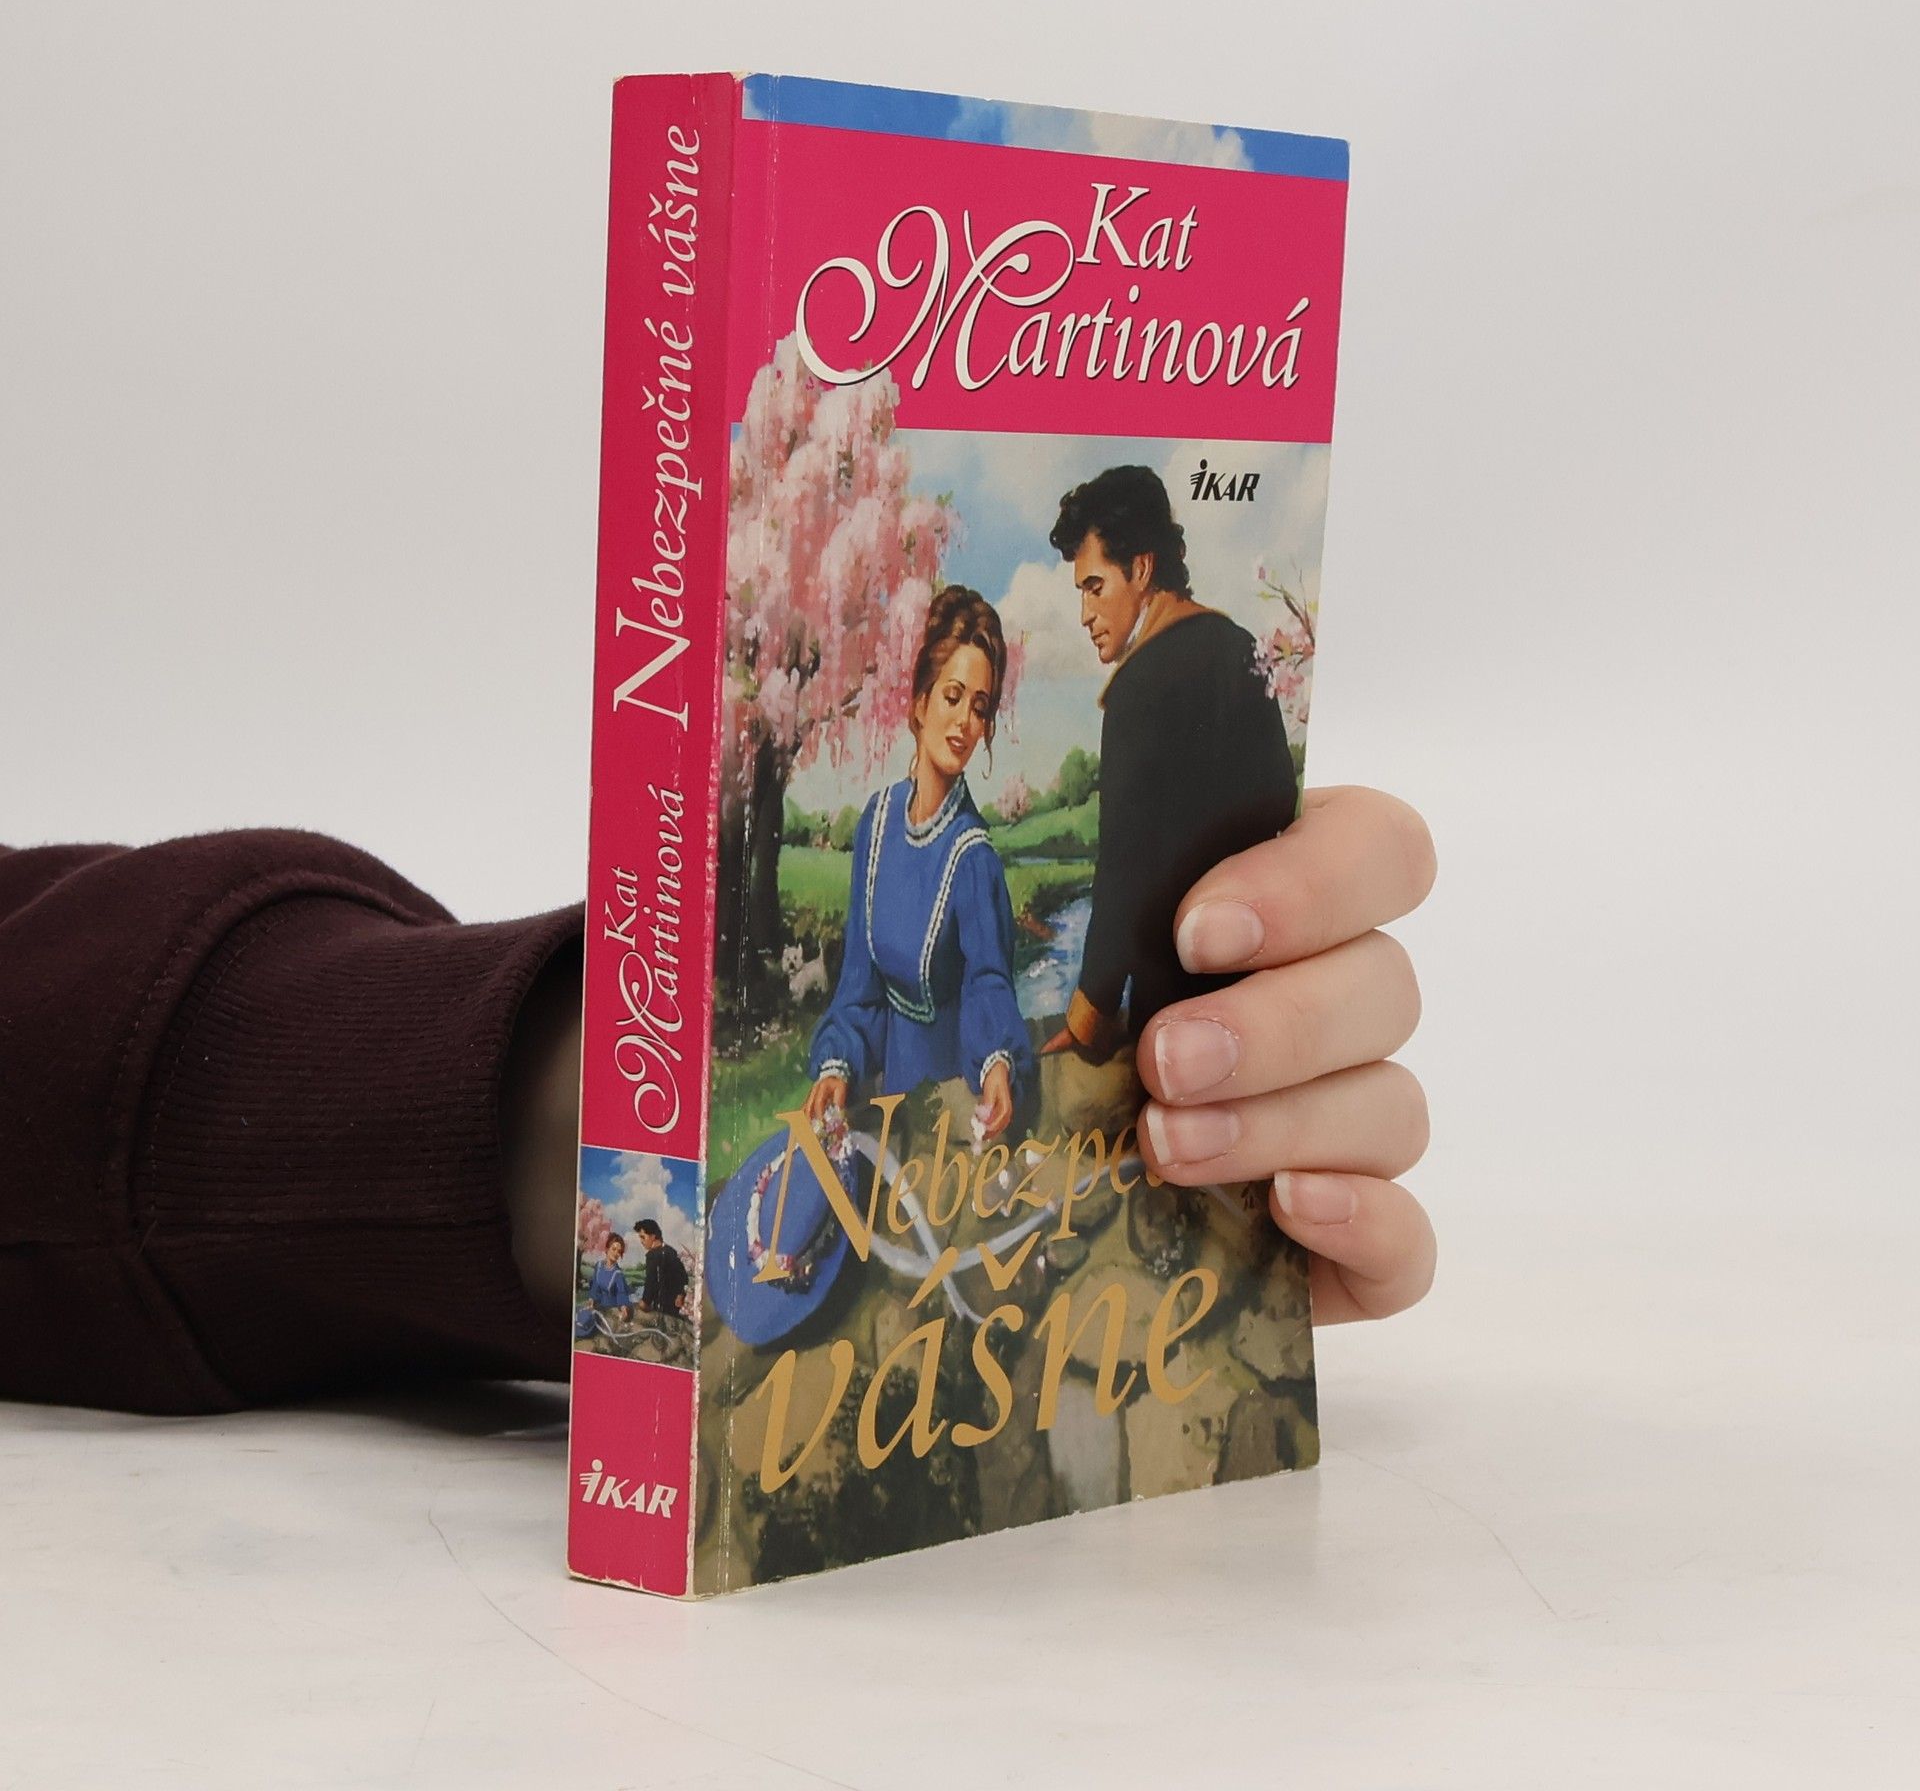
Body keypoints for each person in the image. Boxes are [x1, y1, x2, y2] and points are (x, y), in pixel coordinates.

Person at [0, 782, 1435, 1414]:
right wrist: (573, 1116)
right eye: (948, 695)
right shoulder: (879, 837)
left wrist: (571, 1098)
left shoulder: (968, 858)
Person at [1043, 464, 1297, 1059]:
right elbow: (1283, 799)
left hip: (1174, 999)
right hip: (1261, 975)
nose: (1084, 614)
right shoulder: (1241, 647)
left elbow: (1121, 872)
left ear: (1141, 569)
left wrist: (1090, 1017)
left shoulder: (1135, 690)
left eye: (1094, 587)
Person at [803, 585, 1035, 1138]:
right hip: (884, 1085)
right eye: (953, 697)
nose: (965, 722)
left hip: (949, 1097)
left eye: (979, 707)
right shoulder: (877, 823)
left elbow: (987, 983)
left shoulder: (973, 857)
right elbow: (859, 983)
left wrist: (996, 1063)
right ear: (920, 703)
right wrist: (837, 1064)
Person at [578, 1234, 634, 1336]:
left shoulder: (618, 1274)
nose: (616, 1253)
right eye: (614, 1249)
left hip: (611, 1308)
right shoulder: (599, 1266)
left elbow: (621, 1293)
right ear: (607, 1249)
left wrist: (623, 1307)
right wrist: (591, 1299)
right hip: (598, 1305)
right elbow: (595, 1285)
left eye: (619, 1251)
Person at [632, 1219, 688, 1319]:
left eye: (643, 1237)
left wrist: (645, 1302)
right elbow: (683, 1277)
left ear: (653, 1236)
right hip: (674, 1310)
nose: (641, 1241)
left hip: (661, 1309)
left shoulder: (652, 1256)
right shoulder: (670, 1251)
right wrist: (681, 1294)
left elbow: (650, 1282)